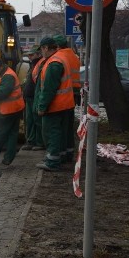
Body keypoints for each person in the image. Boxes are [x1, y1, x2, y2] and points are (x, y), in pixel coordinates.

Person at [35, 36, 75, 172]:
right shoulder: (60, 58)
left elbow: (48, 89)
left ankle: (52, 162)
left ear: (46, 48)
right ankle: (61, 157)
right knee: (61, 132)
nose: (41, 53)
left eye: (41, 49)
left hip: (55, 106)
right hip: (65, 104)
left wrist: (42, 107)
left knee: (51, 133)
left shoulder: (53, 63)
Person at [0, 57, 25, 166]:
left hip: (9, 110)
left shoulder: (8, 76)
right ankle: (8, 159)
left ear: (1, 66)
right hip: (15, 108)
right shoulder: (1, 74)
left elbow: (4, 92)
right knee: (12, 134)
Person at [52, 34, 81, 163]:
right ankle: (69, 151)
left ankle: (62, 153)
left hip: (64, 94)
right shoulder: (74, 56)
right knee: (69, 126)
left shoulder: (60, 58)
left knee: (61, 126)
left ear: (57, 46)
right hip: (74, 93)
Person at [21, 45, 45, 151]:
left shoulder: (40, 64)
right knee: (30, 120)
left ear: (38, 54)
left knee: (36, 120)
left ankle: (39, 142)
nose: (30, 57)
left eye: (32, 54)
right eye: (29, 55)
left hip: (35, 97)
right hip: (29, 97)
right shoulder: (33, 65)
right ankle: (31, 141)